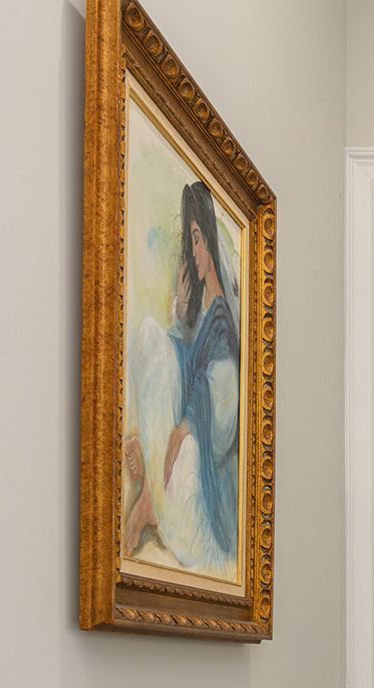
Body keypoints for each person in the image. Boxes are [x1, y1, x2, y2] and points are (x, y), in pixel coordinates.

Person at [122, 181, 240, 573]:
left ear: (208, 239)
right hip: (187, 459)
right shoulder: (204, 316)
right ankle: (152, 500)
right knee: (151, 338)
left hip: (207, 489)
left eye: (196, 239)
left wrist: (185, 425)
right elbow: (178, 372)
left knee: (184, 451)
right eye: (190, 241)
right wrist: (180, 310)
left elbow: (224, 409)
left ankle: (152, 503)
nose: (193, 252)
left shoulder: (222, 320)